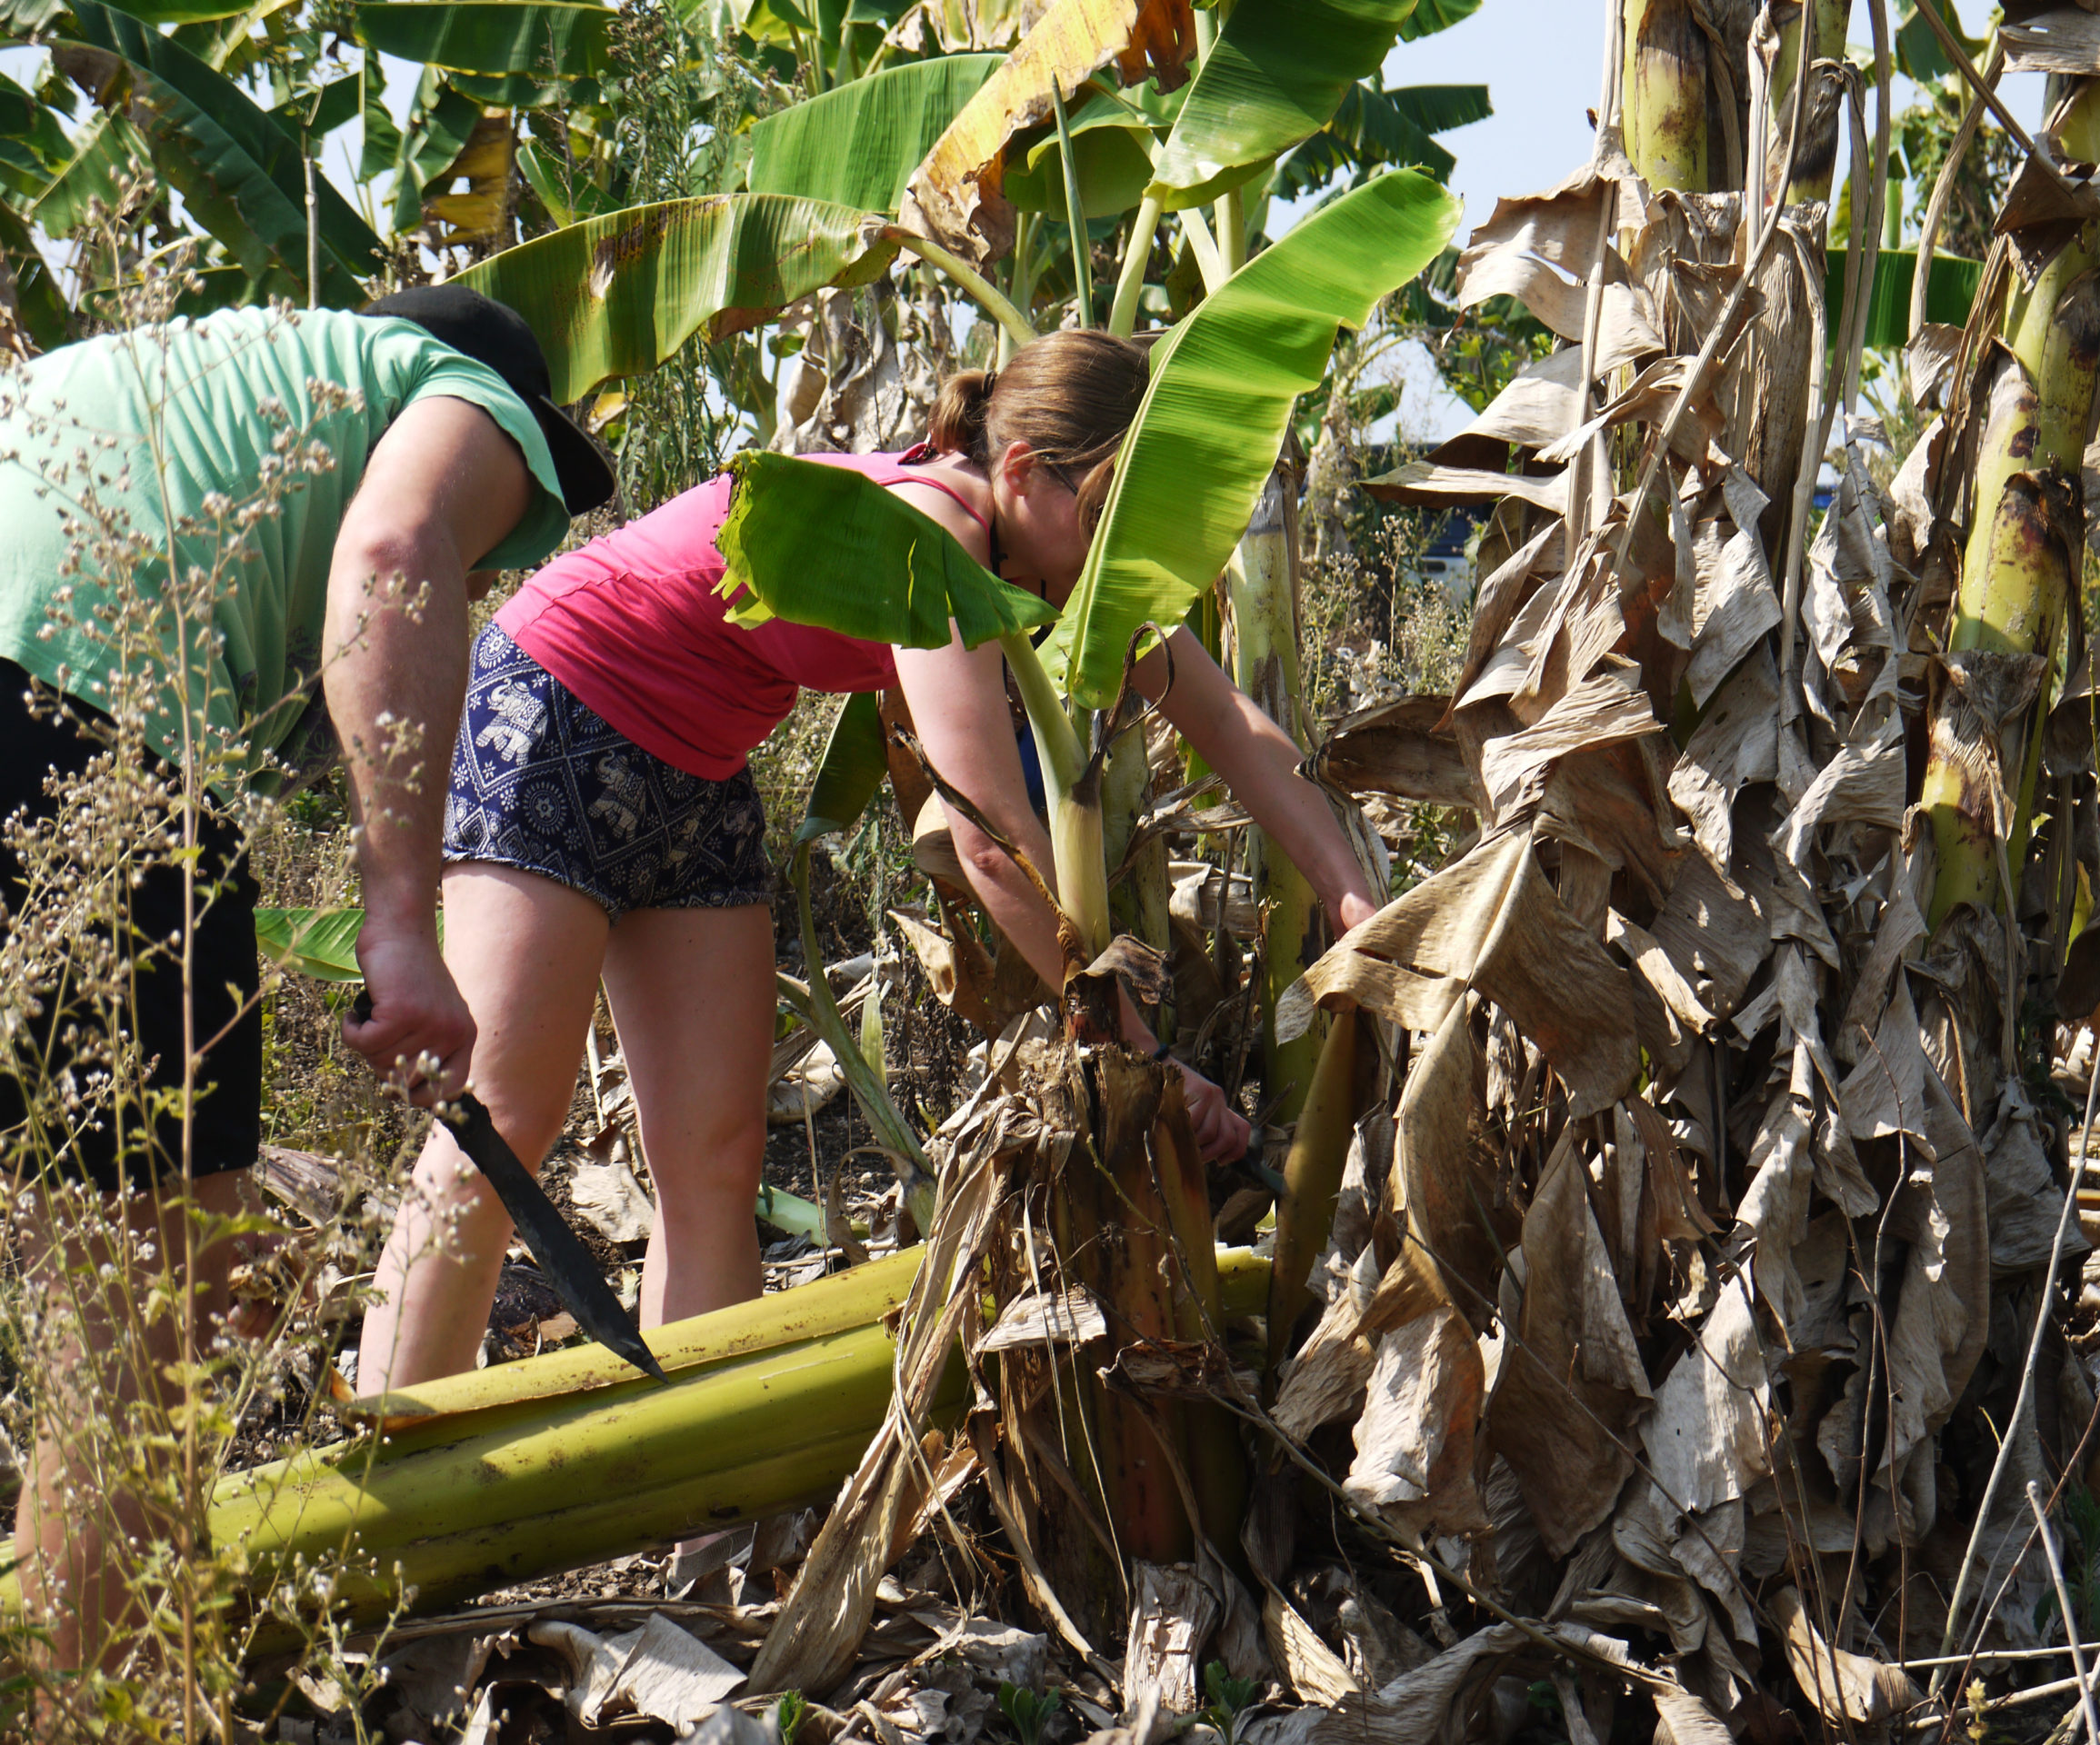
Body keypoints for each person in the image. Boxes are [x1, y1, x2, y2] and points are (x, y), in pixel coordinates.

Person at [356, 329, 1377, 1391]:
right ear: (1023, 473)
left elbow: (1232, 729)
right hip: (559, 708)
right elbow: (988, 840)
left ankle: (707, 1532)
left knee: (715, 1160)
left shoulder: (1052, 562)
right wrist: (1142, 1049)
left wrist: (1356, 898)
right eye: (1113, 506)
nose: (1132, 540)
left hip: (701, 764)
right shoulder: (930, 538)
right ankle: (382, 1490)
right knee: (500, 1122)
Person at [0, 285, 614, 1677]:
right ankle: (104, 1713)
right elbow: (396, 549)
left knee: (148, 1278)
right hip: (84, 738)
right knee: (132, 1356)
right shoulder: (454, 393)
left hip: (48, 715)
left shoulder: (163, 393)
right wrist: (401, 924)